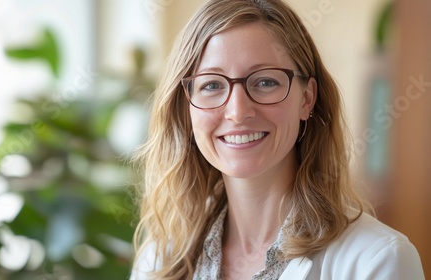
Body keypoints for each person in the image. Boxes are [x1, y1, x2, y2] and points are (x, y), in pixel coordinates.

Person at [130, 0, 425, 279]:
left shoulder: (378, 260)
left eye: (265, 81)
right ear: (186, 107)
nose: (237, 112)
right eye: (211, 85)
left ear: (307, 98)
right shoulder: (160, 260)